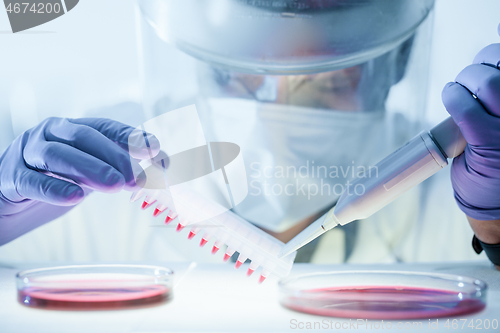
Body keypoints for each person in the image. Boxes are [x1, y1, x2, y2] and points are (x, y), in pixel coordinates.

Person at [0, 0, 499, 268]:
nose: (277, 115)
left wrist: (496, 235)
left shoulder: (465, 190)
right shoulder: (101, 178)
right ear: (201, 60)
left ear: (393, 64)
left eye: (331, 79)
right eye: (241, 75)